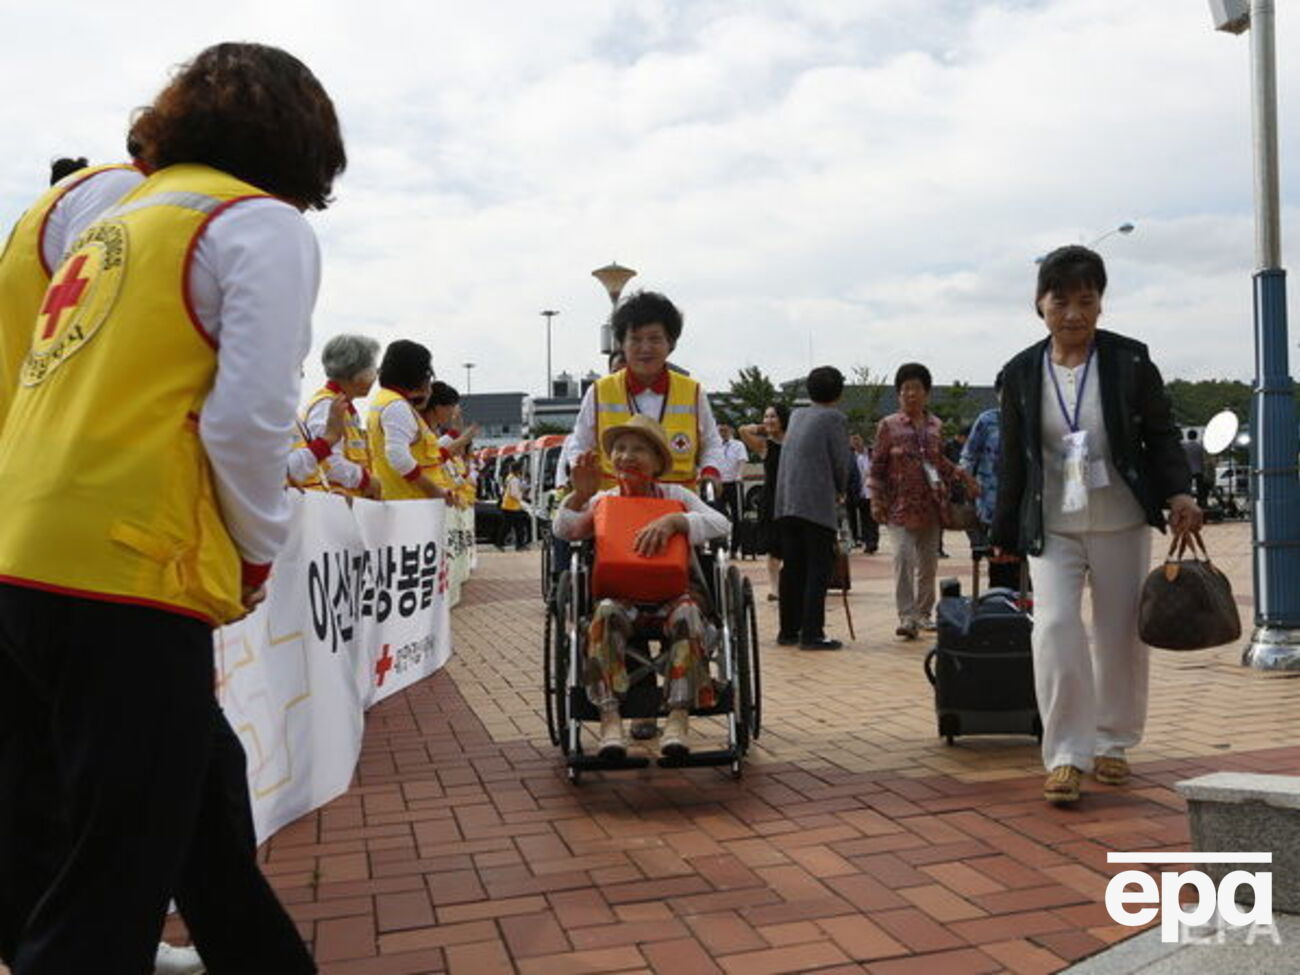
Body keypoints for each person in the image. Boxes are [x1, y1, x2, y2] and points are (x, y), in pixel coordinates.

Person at [0, 41, 343, 973]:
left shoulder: (117, 214)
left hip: (25, 554)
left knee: (192, 805)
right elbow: (248, 420)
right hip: (130, 564)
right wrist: (258, 546)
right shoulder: (257, 223)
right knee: (111, 881)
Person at [991, 244, 1201, 806]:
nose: (1075, 313)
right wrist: (1002, 531)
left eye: (1087, 300)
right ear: (1040, 304)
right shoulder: (1018, 373)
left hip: (1120, 517)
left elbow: (1160, 434)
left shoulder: (1130, 362)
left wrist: (1179, 490)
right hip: (1053, 522)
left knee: (1119, 633)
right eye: (1062, 300)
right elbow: (1014, 459)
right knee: (1055, 627)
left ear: (1101, 305)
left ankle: (1113, 741)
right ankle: (1064, 754)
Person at [553, 415, 729, 758]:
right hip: (622, 600)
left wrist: (676, 520)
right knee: (602, 614)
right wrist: (578, 496)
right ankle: (610, 719)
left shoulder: (676, 495)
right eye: (619, 448)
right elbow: (566, 530)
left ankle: (678, 717)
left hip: (674, 597)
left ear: (658, 461)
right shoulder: (604, 499)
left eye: (638, 449)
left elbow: (721, 523)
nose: (626, 456)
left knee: (689, 614)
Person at [0, 152, 145, 429]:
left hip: (25, 426)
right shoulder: (121, 189)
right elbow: (96, 318)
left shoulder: (86, 189)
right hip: (52, 431)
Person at [562, 290, 724, 494]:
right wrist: (580, 466)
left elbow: (711, 443)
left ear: (671, 343)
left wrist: (711, 471)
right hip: (615, 509)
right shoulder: (599, 391)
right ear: (621, 344)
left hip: (679, 508)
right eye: (636, 340)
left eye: (655, 339)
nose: (645, 348)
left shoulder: (693, 392)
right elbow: (579, 442)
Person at [870, 363, 980, 640]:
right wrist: (875, 499)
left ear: (927, 393)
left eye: (916, 388)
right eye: (905, 389)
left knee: (928, 564)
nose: (910, 394)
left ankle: (923, 614)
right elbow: (877, 466)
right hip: (898, 505)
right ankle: (906, 616)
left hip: (931, 505)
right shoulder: (888, 426)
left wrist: (962, 475)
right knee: (903, 558)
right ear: (898, 394)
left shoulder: (935, 426)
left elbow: (938, 461)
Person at [774, 367, 852, 651]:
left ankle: (788, 630)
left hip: (787, 502)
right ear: (839, 392)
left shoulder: (797, 415)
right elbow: (841, 460)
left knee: (792, 567)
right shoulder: (835, 418)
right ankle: (812, 633)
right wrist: (842, 488)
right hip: (816, 503)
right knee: (819, 567)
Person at [367, 340, 453, 503]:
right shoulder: (396, 406)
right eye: (427, 373)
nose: (429, 379)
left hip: (402, 500)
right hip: (411, 503)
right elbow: (398, 456)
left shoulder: (386, 400)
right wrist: (436, 492)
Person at [296, 334, 381, 498]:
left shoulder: (344, 407)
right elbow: (328, 463)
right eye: (373, 369)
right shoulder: (326, 406)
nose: (375, 377)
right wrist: (364, 479)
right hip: (335, 506)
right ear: (358, 373)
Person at [738, 403, 789, 601]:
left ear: (783, 419)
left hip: (793, 497)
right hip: (771, 498)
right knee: (774, 546)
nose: (769, 420)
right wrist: (762, 428)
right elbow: (743, 430)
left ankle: (792, 584)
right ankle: (774, 588)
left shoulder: (794, 442)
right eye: (766, 416)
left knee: (792, 544)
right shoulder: (765, 445)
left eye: (773, 417)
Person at [716, 423, 749, 555]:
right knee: (718, 514)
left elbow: (742, 460)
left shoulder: (738, 445)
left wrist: (739, 474)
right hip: (719, 484)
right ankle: (720, 545)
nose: (723, 432)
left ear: (731, 430)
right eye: (720, 429)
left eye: (725, 429)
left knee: (737, 516)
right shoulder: (715, 445)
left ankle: (735, 548)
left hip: (734, 483)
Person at [848, 434, 878, 553]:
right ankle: (862, 540)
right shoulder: (850, 457)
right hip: (857, 491)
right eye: (853, 441)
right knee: (859, 517)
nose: (856, 443)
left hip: (871, 490)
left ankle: (872, 541)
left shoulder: (871, 454)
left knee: (872, 518)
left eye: (857, 440)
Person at [496, 460, 532, 551]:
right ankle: (517, 545)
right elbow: (514, 493)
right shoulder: (514, 480)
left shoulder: (511, 477)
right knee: (512, 526)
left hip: (510, 506)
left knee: (514, 526)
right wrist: (522, 496)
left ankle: (515, 544)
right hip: (511, 506)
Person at [1183, 429, 1212, 509]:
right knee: (1200, 489)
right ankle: (1200, 504)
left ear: (1188, 436)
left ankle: (1188, 503)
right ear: (1196, 436)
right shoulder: (1200, 447)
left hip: (1188, 470)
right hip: (1198, 470)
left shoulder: (1184, 447)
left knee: (1188, 488)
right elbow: (1202, 460)